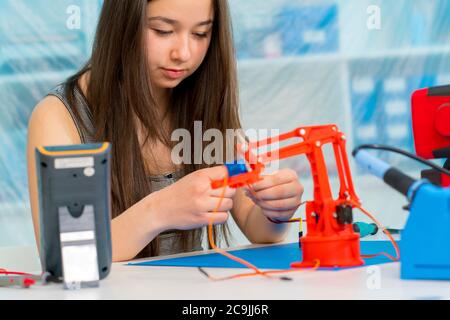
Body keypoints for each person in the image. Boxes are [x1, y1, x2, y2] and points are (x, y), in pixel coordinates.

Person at [27, 0, 304, 262]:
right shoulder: (59, 118)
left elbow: (259, 229)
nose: (183, 53)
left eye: (200, 33)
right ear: (122, 23)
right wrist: (160, 210)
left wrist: (276, 209)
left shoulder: (202, 102)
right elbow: (69, 256)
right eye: (163, 31)